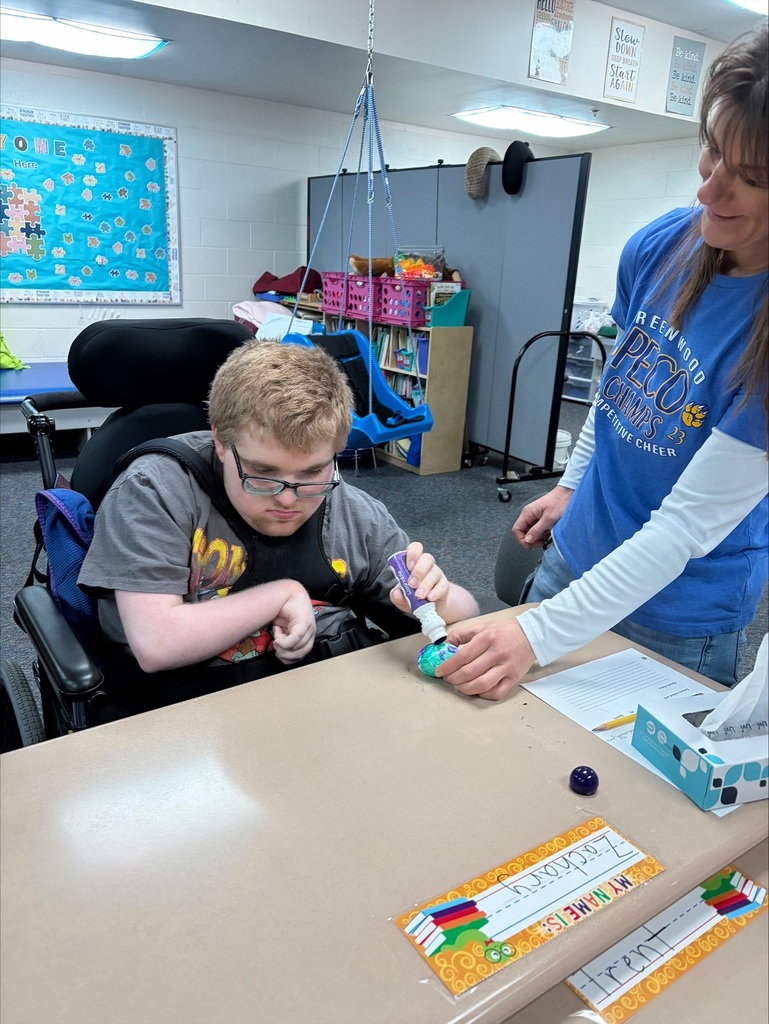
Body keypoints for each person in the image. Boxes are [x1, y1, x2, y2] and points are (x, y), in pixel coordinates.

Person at [437, 26, 768, 699]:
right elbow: (618, 391)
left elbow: (683, 527)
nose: (709, 193)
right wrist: (571, 485)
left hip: (678, 612)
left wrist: (537, 635)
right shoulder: (660, 243)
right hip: (576, 557)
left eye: (750, 178)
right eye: (711, 152)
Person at [79, 339, 478, 687]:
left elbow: (468, 615)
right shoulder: (154, 490)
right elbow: (157, 643)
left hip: (320, 694)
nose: (288, 500)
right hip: (187, 711)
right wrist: (281, 595)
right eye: (263, 474)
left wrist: (438, 597)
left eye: (312, 473)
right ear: (221, 442)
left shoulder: (352, 511)